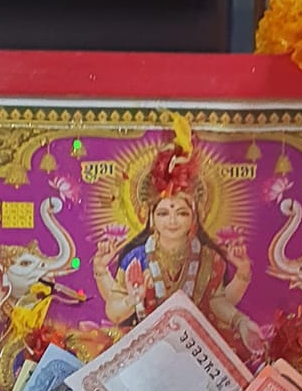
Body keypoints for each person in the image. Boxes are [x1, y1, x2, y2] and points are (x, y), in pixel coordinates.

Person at [93, 117, 260, 356]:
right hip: (146, 350)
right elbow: (114, 312)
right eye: (163, 213)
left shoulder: (209, 259)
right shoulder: (136, 258)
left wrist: (241, 321)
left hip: (196, 349)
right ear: (151, 218)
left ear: (194, 218)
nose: (172, 221)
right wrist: (132, 299)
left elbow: (216, 303)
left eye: (181, 213)